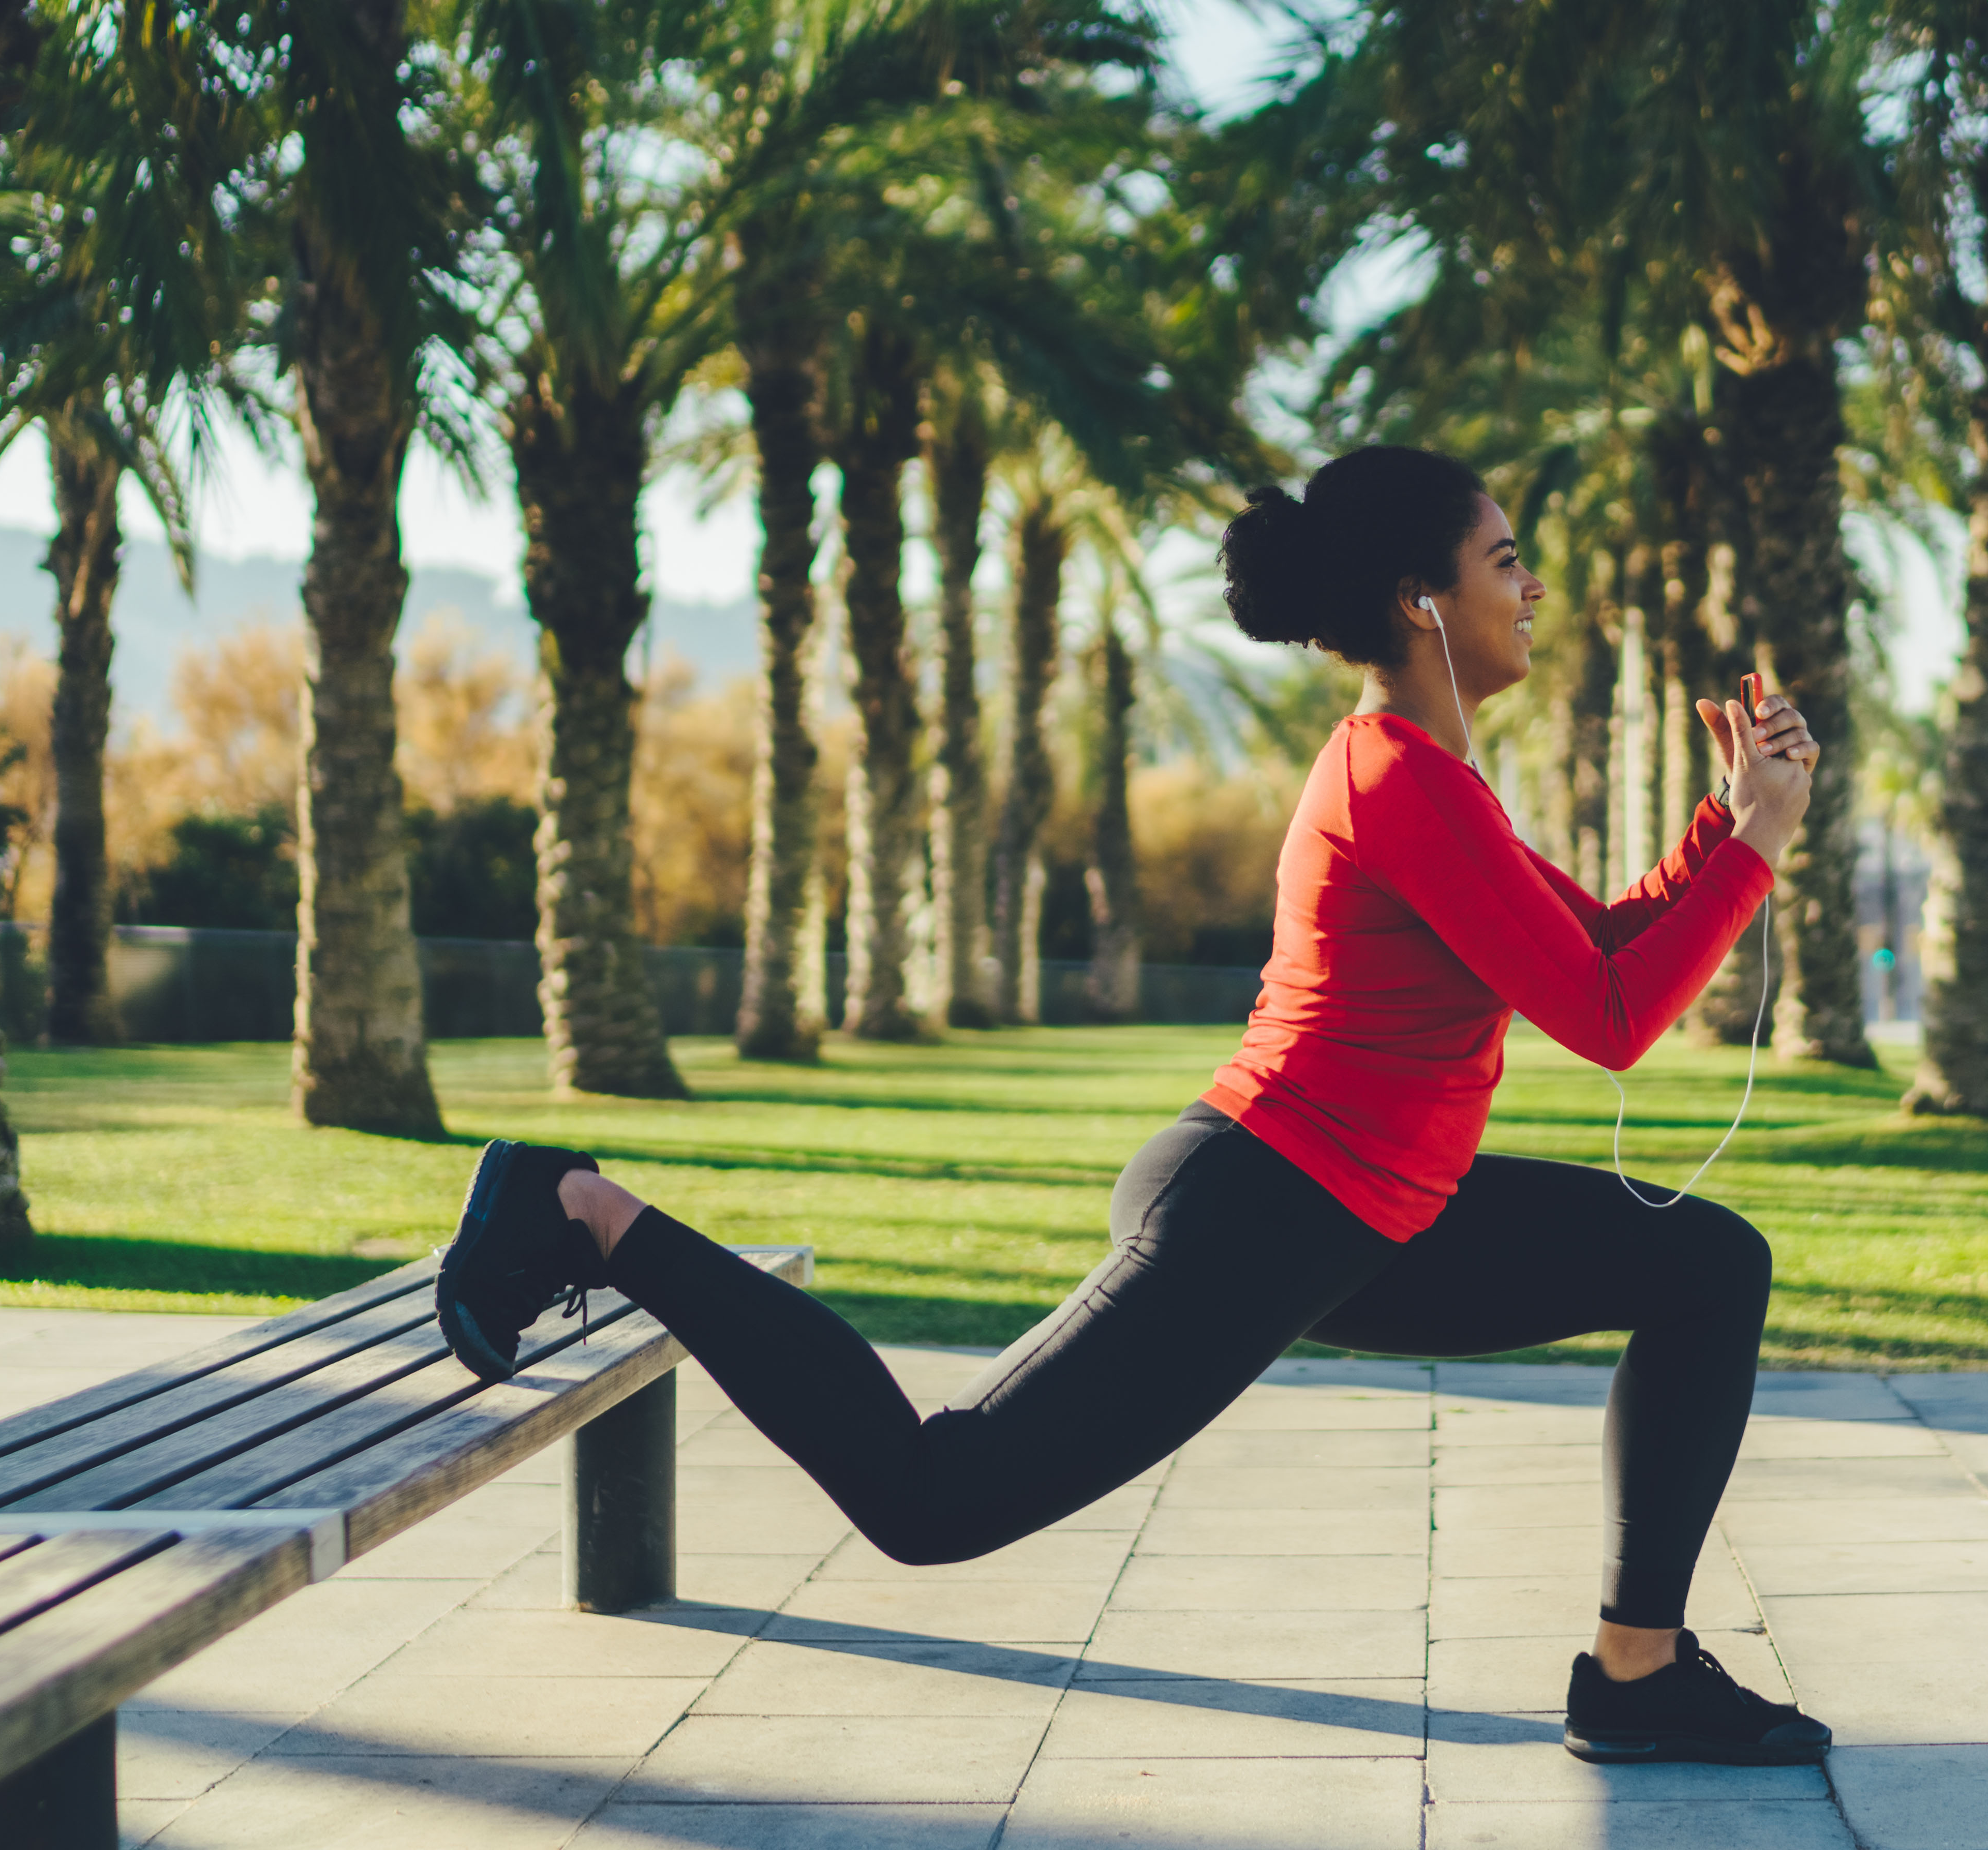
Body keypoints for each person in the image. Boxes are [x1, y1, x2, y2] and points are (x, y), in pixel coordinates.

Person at [432, 445, 1831, 1766]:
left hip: (1373, 1212)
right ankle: (583, 1210)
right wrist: (1758, 842)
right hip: (1266, 1208)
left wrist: (1727, 819)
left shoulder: (1435, 778)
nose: (1532, 587)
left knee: (1708, 1265)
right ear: (1423, 600)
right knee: (934, 1500)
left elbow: (1597, 953)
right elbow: (1613, 1020)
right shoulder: (1398, 779)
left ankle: (1636, 1676)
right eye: (1506, 558)